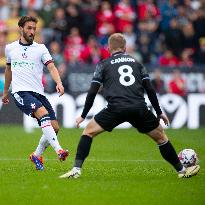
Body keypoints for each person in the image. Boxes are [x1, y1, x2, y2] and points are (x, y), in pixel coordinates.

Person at [59, 33, 200, 179]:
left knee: (88, 132)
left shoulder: (103, 64)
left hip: (115, 108)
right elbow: (150, 89)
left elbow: (92, 91)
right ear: (125, 47)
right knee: (161, 138)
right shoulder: (137, 63)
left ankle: (76, 170)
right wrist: (159, 112)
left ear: (108, 48)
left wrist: (83, 115)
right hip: (138, 107)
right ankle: (182, 171)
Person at [2, 16, 69, 171]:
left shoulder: (41, 48)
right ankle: (59, 150)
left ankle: (37, 155)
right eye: (29, 28)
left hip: (38, 93)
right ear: (21, 29)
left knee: (55, 127)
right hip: (20, 92)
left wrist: (59, 82)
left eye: (34, 28)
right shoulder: (10, 48)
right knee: (43, 114)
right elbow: (8, 70)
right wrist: (6, 91)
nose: (32, 31)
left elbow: (51, 67)